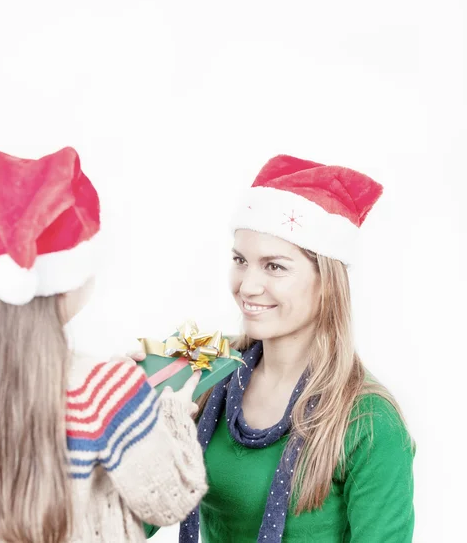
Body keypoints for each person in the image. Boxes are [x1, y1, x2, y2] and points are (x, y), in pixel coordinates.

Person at [135, 155, 415, 542]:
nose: (247, 286)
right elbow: (130, 522)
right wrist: (127, 415)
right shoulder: (202, 371)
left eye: (274, 267)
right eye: (240, 260)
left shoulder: (370, 422)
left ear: (327, 283)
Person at [0, 146, 207, 543]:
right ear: (69, 279)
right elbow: (169, 501)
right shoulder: (107, 388)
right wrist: (170, 416)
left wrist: (112, 390)